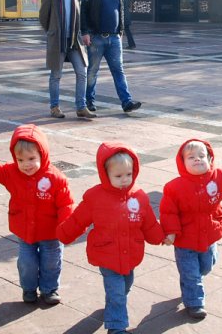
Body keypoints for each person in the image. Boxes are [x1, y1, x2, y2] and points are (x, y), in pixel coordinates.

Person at [57, 142, 164, 334]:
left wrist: (159, 237)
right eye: (118, 176)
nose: (125, 180)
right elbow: (78, 219)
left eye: (129, 174)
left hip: (131, 253)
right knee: (116, 292)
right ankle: (116, 327)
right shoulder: (95, 197)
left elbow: (148, 222)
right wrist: (64, 233)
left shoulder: (139, 196)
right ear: (105, 174)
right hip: (106, 254)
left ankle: (114, 306)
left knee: (125, 286)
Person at [160, 139, 222, 319]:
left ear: (210, 159)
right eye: (191, 157)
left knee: (207, 266)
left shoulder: (218, 177)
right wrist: (171, 232)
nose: (197, 159)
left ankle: (191, 283)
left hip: (209, 235)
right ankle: (194, 303)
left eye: (202, 156)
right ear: (182, 163)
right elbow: (168, 212)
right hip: (185, 240)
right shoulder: (174, 187)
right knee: (191, 273)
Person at [0, 124, 74, 304]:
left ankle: (49, 289)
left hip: (51, 232)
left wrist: (66, 226)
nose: (26, 165)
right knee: (26, 262)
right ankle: (29, 288)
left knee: (51, 262)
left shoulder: (55, 178)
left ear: (43, 154)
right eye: (21, 160)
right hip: (25, 230)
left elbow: (66, 204)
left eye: (32, 158)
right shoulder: (12, 173)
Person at [80, 0, 142, 114]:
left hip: (114, 38)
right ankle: (89, 101)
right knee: (93, 71)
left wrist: (120, 30)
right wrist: (85, 32)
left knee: (118, 70)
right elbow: (83, 13)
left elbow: (121, 11)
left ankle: (126, 102)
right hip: (96, 38)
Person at [39, 0, 96, 119]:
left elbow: (80, 17)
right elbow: (43, 18)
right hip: (58, 41)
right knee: (56, 75)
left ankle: (81, 107)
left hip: (74, 41)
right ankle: (54, 107)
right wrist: (52, 32)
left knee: (82, 72)